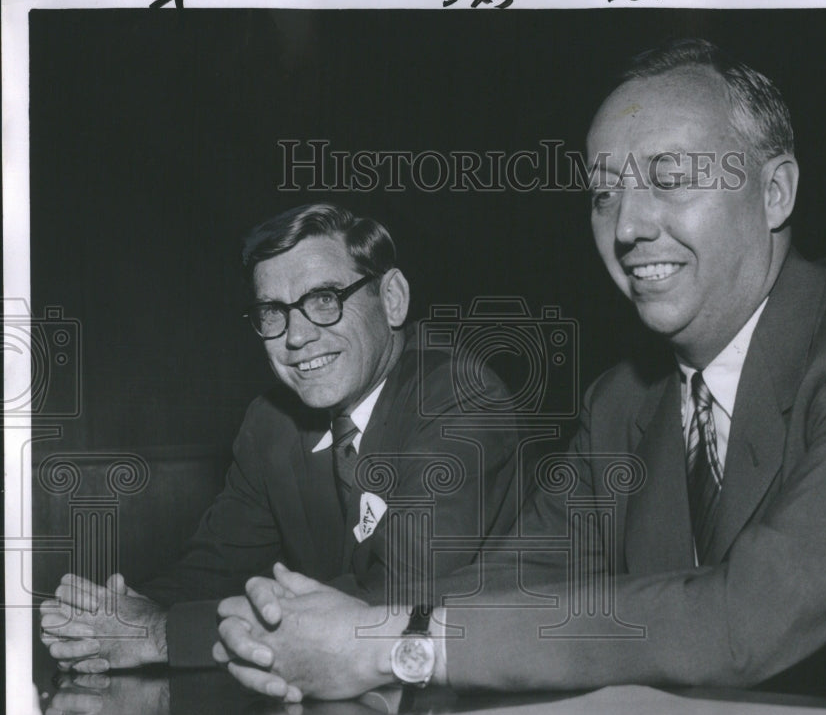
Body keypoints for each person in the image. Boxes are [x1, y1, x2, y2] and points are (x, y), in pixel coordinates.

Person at [214, 39, 826, 707]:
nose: (629, 225)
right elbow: (509, 578)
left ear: (775, 191)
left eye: (669, 176)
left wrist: (396, 646)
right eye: (604, 193)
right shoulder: (625, 400)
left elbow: (748, 619)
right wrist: (283, 627)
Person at [40, 203, 521, 671]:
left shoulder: (461, 399)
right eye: (273, 312)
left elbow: (394, 597)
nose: (296, 336)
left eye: (324, 300)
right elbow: (213, 568)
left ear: (392, 299)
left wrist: (161, 633)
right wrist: (111, 615)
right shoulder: (270, 422)